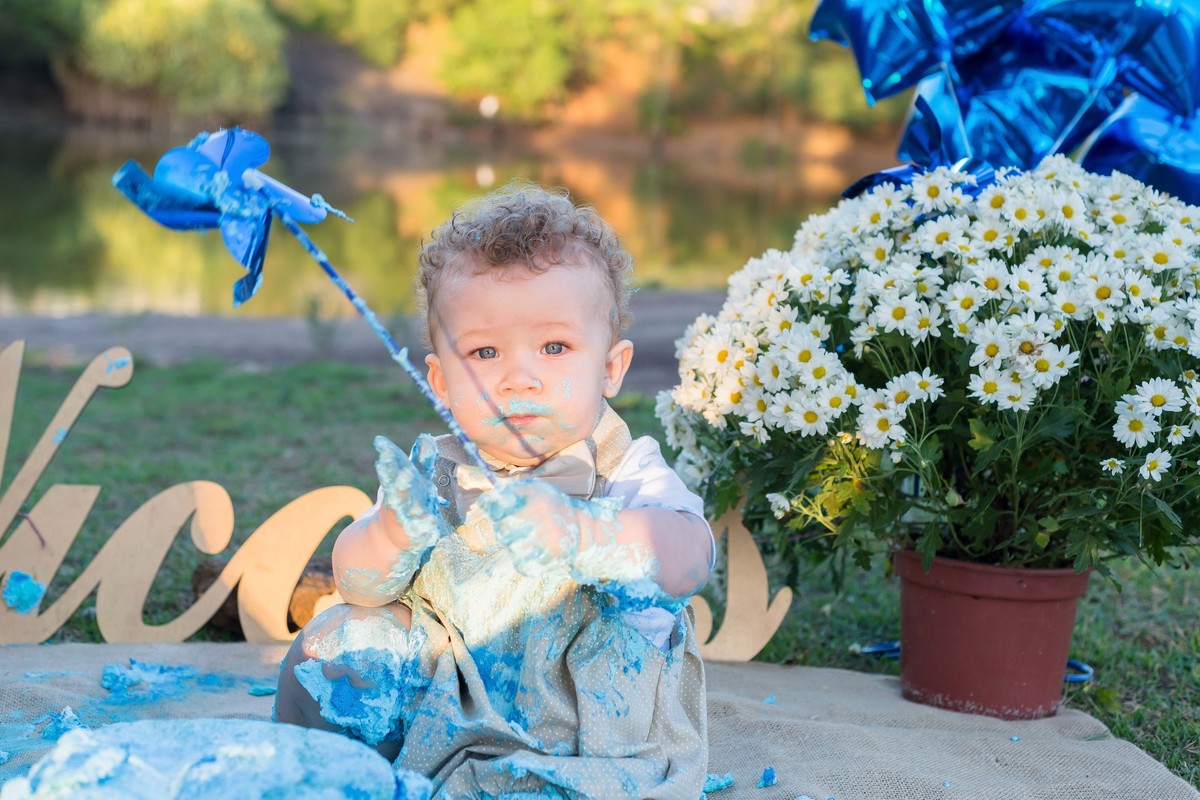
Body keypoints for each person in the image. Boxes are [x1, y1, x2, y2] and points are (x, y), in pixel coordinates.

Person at [274, 182, 714, 798]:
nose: (518, 378)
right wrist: (393, 535)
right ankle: (320, 776)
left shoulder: (626, 469)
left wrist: (592, 534)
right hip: (448, 705)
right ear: (441, 381)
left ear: (610, 368)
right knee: (337, 640)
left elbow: (691, 557)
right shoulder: (436, 473)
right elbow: (355, 582)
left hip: (591, 730)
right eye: (484, 352)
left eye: (554, 346)